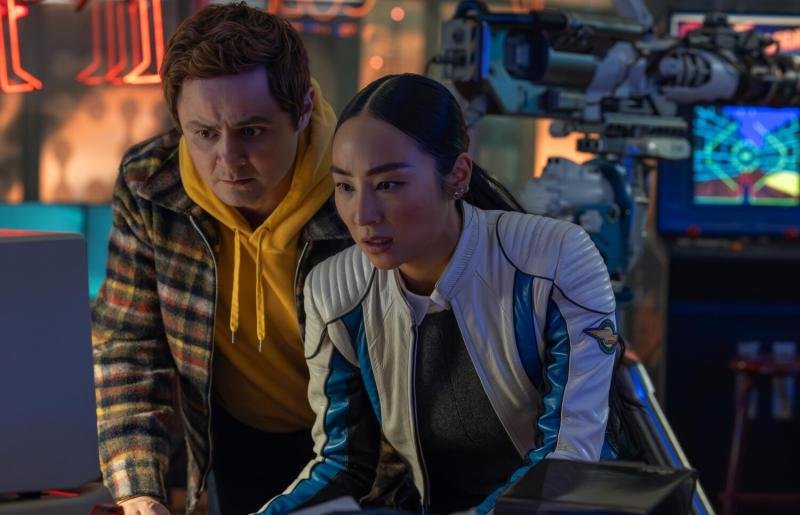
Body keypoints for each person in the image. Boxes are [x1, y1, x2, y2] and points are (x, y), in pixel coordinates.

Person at [257, 73, 621, 515]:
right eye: (345, 187)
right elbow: (341, 463)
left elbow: (567, 457)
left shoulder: (553, 257)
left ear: (457, 176)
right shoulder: (334, 291)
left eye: (388, 184)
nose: (362, 214)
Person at [91, 3, 352, 514]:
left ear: (303, 109)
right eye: (204, 133)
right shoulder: (152, 183)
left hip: (361, 447)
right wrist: (138, 492)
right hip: (235, 442)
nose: (228, 160)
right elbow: (128, 348)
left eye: (252, 131)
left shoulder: (362, 190)